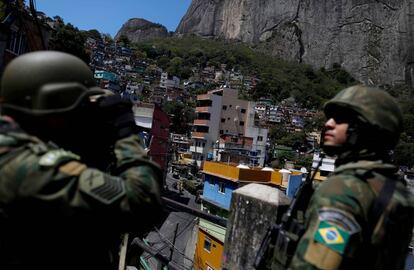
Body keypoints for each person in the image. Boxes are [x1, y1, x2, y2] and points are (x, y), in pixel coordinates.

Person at [0, 51, 163, 270]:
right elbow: (142, 203)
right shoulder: (31, 166)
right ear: (54, 103)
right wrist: (125, 132)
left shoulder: (12, 147)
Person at [288, 85, 414, 269]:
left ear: (364, 128)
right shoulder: (398, 192)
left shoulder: (344, 190)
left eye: (340, 119)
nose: (328, 123)